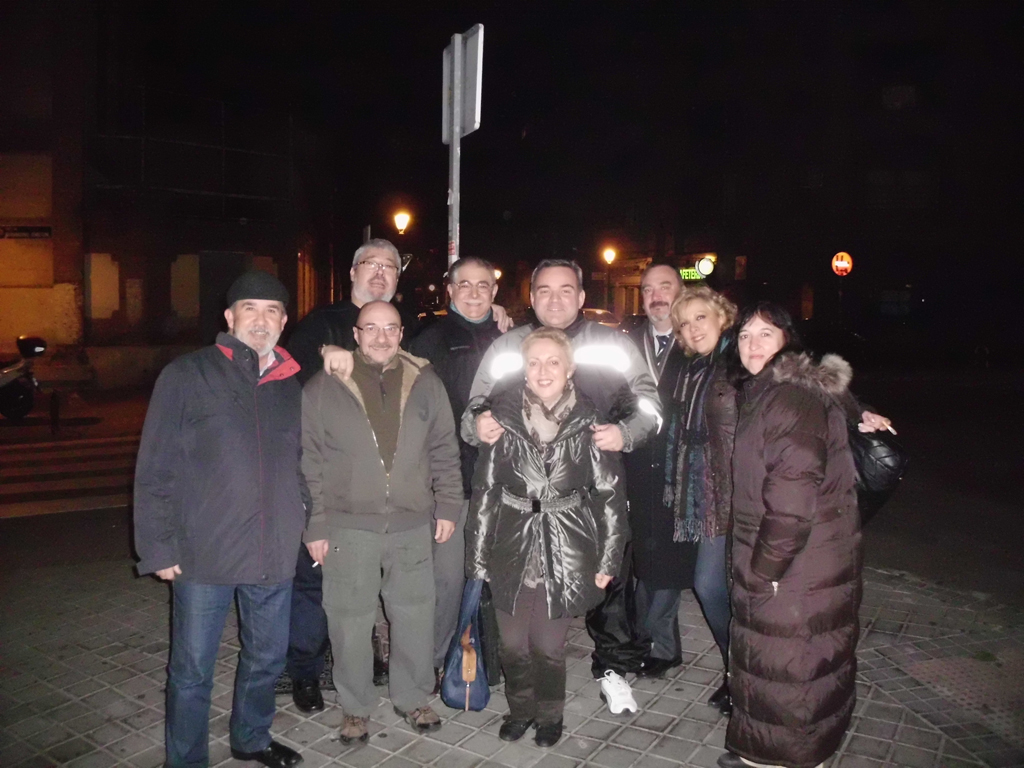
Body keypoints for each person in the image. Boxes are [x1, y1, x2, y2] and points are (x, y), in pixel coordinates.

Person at [462, 258, 660, 714]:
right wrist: (478, 425)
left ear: (582, 296)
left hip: (595, 485)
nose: (555, 299)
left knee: (610, 589)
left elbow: (650, 403)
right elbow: (476, 405)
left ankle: (612, 669)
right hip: (532, 497)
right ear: (531, 297)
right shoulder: (508, 346)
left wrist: (626, 433)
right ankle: (526, 694)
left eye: (566, 289)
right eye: (545, 291)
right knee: (533, 603)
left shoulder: (613, 343)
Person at [134, 271, 306, 768]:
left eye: (272, 310)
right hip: (203, 551)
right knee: (192, 669)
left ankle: (251, 738)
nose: (261, 319)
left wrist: (307, 524)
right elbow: (155, 466)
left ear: (284, 322)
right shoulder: (187, 375)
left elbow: (302, 465)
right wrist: (158, 547)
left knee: (267, 658)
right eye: (250, 308)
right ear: (229, 317)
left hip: (274, 549)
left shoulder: (290, 384)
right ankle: (186, 760)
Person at [718, 301, 892, 768]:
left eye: (765, 334)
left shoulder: (788, 399)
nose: (752, 345)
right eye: (745, 335)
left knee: (792, 664)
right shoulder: (772, 390)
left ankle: (793, 756)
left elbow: (791, 500)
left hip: (794, 564)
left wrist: (765, 569)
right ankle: (766, 748)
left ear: (787, 341)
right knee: (790, 663)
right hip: (807, 559)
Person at [301, 301, 463, 746]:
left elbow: (444, 448)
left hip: (412, 521)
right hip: (348, 524)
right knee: (349, 619)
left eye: (390, 328)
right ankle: (355, 706)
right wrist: (316, 525)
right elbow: (309, 461)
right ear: (355, 334)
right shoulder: (324, 386)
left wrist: (448, 505)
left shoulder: (425, 382)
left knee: (415, 612)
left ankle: (412, 696)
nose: (381, 336)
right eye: (370, 328)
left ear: (401, 333)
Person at [466, 328, 627, 748]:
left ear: (569, 369)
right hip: (511, 542)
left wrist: (609, 559)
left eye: (553, 361)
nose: (543, 370)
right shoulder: (501, 420)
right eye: (534, 362)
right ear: (524, 369)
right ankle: (521, 710)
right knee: (512, 644)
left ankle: (550, 714)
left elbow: (610, 496)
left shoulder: (591, 423)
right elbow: (485, 492)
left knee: (548, 646)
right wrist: (477, 558)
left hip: (568, 544)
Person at [281, 238, 409, 711]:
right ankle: (304, 670)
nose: (379, 272)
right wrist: (326, 353)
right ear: (352, 272)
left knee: (367, 577)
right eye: (370, 264)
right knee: (314, 577)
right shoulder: (321, 324)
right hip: (328, 480)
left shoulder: (405, 326)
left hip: (382, 482)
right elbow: (290, 382)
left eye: (389, 266)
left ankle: (358, 654)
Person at [635, 285, 739, 715]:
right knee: (709, 583)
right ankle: (738, 671)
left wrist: (857, 410)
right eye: (684, 323)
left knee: (710, 584)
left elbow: (801, 388)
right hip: (693, 491)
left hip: (729, 494)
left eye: (701, 317)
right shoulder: (691, 367)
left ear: (722, 316)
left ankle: (742, 673)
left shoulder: (739, 362)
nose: (693, 329)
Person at [407, 257, 505, 688]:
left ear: (494, 292)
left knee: (498, 574)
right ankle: (433, 660)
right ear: (449, 290)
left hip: (505, 479)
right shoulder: (429, 340)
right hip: (452, 480)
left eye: (483, 285)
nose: (474, 292)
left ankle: (491, 656)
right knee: (446, 578)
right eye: (464, 284)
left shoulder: (509, 338)